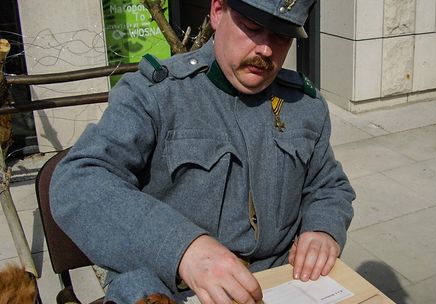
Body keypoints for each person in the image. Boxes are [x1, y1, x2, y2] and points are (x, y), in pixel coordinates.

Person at [50, 0, 355, 303]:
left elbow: (328, 185)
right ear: (218, 12)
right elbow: (78, 181)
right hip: (173, 289)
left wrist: (322, 228)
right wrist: (183, 248)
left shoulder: (304, 105)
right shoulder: (156, 95)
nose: (265, 50)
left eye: (280, 36)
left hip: (281, 284)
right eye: (252, 27)